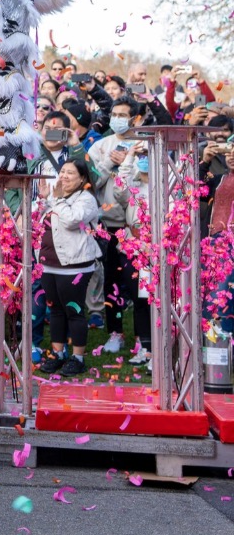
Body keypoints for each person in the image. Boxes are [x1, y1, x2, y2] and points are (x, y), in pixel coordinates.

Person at [36, 159, 102, 376]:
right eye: (62, 171)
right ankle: (58, 353)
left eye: (70, 173)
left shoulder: (86, 199)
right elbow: (40, 220)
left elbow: (72, 220)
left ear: (82, 178)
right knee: (55, 309)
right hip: (49, 264)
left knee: (73, 310)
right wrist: (44, 200)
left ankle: (78, 357)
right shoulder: (57, 199)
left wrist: (56, 199)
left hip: (74, 265)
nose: (63, 176)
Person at [87, 96, 144, 342]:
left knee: (137, 284)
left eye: (123, 115)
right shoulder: (100, 145)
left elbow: (143, 184)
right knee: (111, 281)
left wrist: (130, 161)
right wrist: (110, 161)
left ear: (135, 119)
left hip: (136, 227)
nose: (118, 119)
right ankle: (115, 333)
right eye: (115, 114)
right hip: (107, 224)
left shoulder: (144, 145)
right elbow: (89, 181)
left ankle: (145, 338)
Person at [114, 141, 154, 367]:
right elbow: (120, 185)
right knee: (139, 300)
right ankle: (145, 348)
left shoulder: (165, 183)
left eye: (147, 153)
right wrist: (130, 154)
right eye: (141, 154)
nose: (144, 158)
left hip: (157, 248)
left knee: (155, 301)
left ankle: (160, 350)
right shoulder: (133, 186)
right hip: (133, 246)